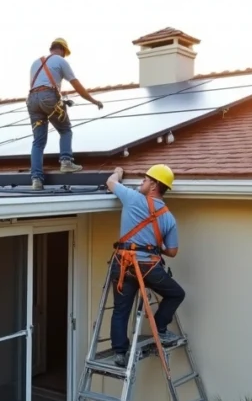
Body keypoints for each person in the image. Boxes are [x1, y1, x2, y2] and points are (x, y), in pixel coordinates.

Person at [104, 164, 186, 366]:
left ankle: (120, 353)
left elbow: (110, 182)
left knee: (121, 310)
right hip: (149, 268)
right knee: (176, 293)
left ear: (154, 185)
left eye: (145, 180)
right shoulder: (168, 217)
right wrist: (154, 248)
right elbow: (173, 252)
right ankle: (159, 328)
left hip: (123, 265)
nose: (142, 182)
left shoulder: (132, 198)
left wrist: (118, 172)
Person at [28, 38, 103, 190]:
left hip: (32, 100)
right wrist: (93, 100)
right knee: (65, 129)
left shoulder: (35, 63)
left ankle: (36, 180)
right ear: (62, 50)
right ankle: (66, 162)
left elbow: (41, 85)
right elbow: (76, 85)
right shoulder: (60, 61)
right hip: (48, 97)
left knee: (38, 142)